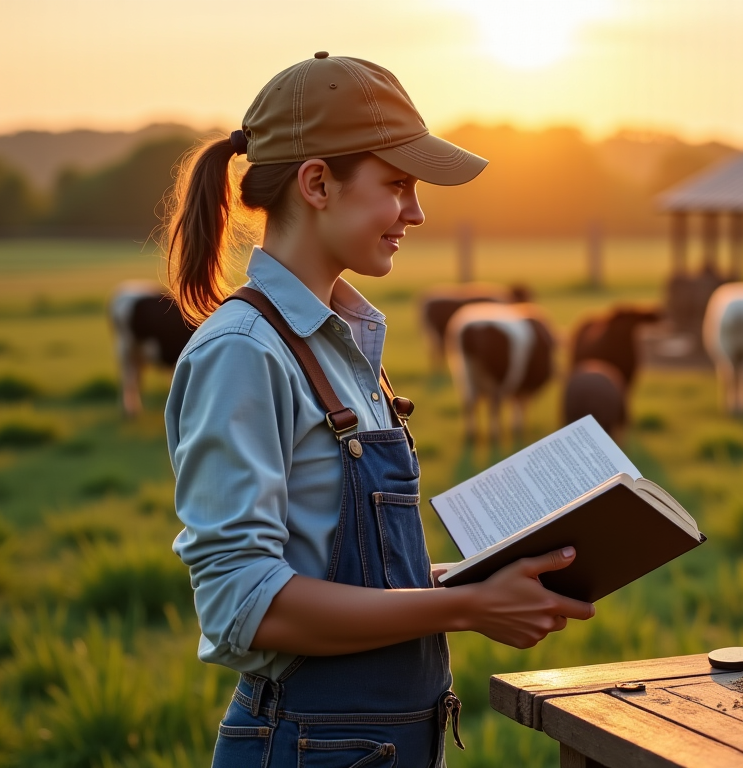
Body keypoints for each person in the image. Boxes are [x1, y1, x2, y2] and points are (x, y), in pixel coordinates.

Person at [163, 52, 596, 768]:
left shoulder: (344, 343)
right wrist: (464, 609)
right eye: (397, 185)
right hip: (306, 748)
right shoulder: (245, 352)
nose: (417, 212)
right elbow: (245, 603)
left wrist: (475, 582)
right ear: (317, 183)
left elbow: (349, 579)